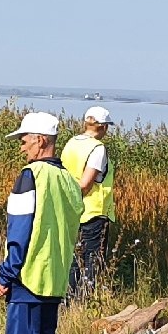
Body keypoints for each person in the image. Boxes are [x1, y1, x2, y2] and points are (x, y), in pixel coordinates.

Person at [0, 111, 83, 334]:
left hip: (28, 278)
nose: (22, 147)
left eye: (24, 140)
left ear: (40, 140)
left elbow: (19, 232)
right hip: (55, 280)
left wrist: (6, 274)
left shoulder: (31, 175)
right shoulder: (68, 180)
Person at [61, 105, 115, 297]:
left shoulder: (72, 142)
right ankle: (82, 300)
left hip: (70, 210)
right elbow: (85, 184)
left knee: (73, 257)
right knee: (92, 260)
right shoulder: (98, 148)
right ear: (103, 127)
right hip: (93, 211)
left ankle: (66, 298)